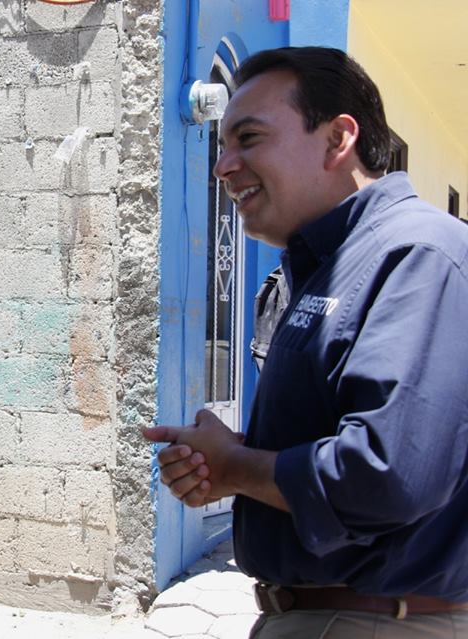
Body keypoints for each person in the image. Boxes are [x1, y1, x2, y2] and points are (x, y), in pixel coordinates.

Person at [144, 47, 468, 638]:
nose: (224, 166)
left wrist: (237, 466)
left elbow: (387, 474)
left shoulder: (416, 255)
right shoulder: (319, 267)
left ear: (338, 138)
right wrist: (232, 465)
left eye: (249, 138)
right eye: (222, 146)